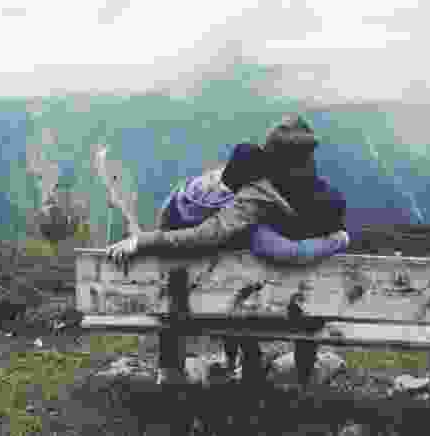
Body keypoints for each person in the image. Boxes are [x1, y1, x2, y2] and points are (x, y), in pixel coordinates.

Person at [106, 114, 349, 384]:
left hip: (204, 281)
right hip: (292, 308)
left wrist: (143, 241)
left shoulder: (261, 190)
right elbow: (218, 234)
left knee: (209, 273)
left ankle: (172, 368)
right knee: (254, 277)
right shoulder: (304, 192)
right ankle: (295, 368)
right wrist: (339, 240)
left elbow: (207, 235)